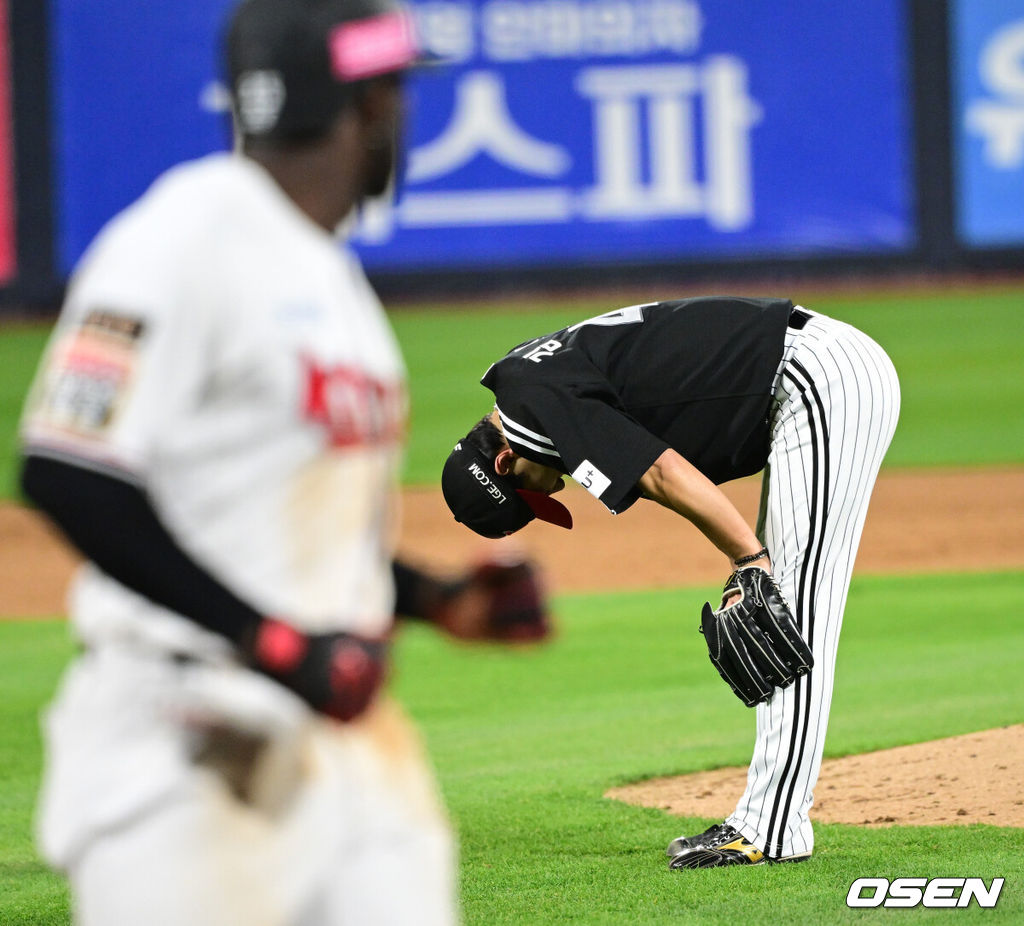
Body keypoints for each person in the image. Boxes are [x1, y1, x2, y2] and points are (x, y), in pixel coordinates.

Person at [18, 1, 549, 923]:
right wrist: (270, 640)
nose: (399, 115)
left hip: (341, 740)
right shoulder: (180, 238)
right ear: (361, 105)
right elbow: (67, 472)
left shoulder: (322, 267)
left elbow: (261, 515)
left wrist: (436, 599)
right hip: (183, 748)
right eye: (389, 89)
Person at [441, 296, 900, 869]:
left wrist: (749, 559)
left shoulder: (535, 408)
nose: (552, 495)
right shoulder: (529, 379)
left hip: (816, 382)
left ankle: (773, 828)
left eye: (533, 494)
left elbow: (659, 471)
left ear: (505, 463)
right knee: (783, 600)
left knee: (789, 606)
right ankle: (771, 819)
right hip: (811, 374)